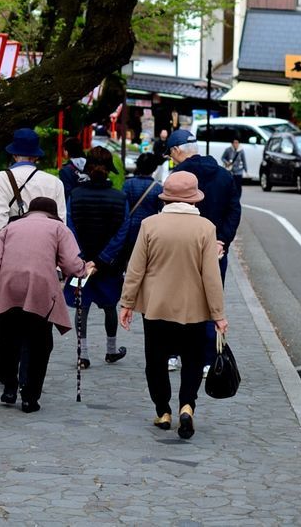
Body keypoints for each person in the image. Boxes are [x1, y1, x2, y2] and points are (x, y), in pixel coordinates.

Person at [118, 172, 227, 439]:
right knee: (192, 359)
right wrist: (218, 315)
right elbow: (211, 277)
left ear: (167, 197)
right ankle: (187, 406)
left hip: (156, 305)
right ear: (194, 199)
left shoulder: (149, 224)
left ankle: (162, 410)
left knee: (155, 359)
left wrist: (127, 303)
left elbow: (136, 268)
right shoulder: (205, 228)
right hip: (194, 308)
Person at [0, 197, 96, 413]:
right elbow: (70, 264)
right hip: (40, 291)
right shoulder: (59, 228)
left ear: (30, 212)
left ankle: (10, 387)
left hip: (8, 290)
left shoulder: (9, 228)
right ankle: (30, 397)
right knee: (40, 344)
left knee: (8, 341)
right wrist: (83, 268)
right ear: (53, 213)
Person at [165, 129, 241, 370]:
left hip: (182, 250)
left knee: (177, 299)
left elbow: (169, 214)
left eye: (171, 154)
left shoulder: (178, 177)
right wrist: (222, 240)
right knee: (211, 301)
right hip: (215, 250)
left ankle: (174, 354)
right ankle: (208, 359)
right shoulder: (223, 175)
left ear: (177, 151)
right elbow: (234, 211)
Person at [66, 148, 129, 367]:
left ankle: (82, 355)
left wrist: (83, 258)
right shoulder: (120, 198)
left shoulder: (75, 195)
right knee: (110, 306)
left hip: (82, 263)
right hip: (109, 264)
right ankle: (111, 350)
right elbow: (123, 231)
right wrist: (103, 259)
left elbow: (70, 228)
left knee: (82, 307)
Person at [0, 128, 66, 234]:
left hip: (11, 247)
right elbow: (61, 224)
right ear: (36, 156)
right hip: (47, 246)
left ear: (14, 155)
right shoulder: (55, 182)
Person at [59, 136, 88, 211]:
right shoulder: (92, 165)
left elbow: (67, 193)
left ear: (66, 151)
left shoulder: (65, 171)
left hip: (75, 208)